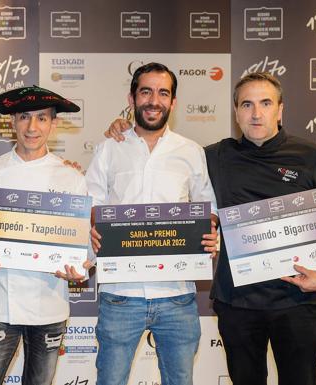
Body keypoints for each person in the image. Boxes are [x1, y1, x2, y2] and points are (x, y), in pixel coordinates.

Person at [204, 72, 316, 385]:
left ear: (281, 109)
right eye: (247, 104)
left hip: (298, 301)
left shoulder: (312, 157)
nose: (256, 113)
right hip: (238, 303)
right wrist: (126, 130)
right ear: (236, 112)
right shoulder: (214, 157)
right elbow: (168, 160)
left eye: (265, 103)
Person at [87, 62, 218, 385]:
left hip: (177, 295)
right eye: (146, 92)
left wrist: (209, 232)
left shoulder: (191, 152)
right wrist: (94, 227)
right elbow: (90, 205)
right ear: (132, 99)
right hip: (121, 295)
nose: (154, 101)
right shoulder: (108, 149)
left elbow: (208, 208)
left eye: (163, 93)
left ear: (173, 102)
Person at [0, 85, 89, 385]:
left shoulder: (72, 178)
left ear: (53, 123)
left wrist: (81, 266)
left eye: (41, 118)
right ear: (12, 121)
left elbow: (85, 245)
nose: (32, 127)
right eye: (24, 117)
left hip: (49, 308)